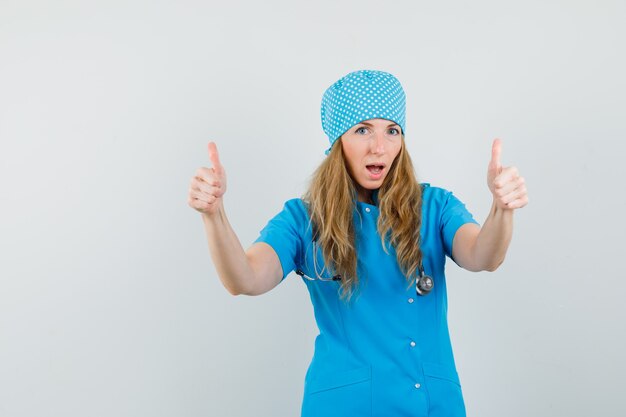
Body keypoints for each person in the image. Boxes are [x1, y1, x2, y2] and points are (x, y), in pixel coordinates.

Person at [188, 69, 528, 417]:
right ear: (338, 141)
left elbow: (483, 255)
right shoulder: (304, 219)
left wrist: (502, 210)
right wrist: (214, 215)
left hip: (432, 404)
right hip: (343, 407)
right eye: (362, 129)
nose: (379, 146)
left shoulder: (435, 207)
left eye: (391, 131)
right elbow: (244, 278)